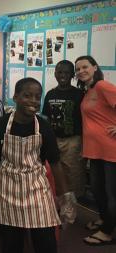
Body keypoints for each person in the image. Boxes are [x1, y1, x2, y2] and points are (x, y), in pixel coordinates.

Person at [0, 77, 76, 253]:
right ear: (15, 97)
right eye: (27, 95)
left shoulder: (43, 127)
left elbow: (55, 164)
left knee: (46, 242)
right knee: (12, 243)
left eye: (37, 97)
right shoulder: (1, 125)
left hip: (37, 187)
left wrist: (65, 197)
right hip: (9, 188)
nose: (33, 101)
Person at [75, 55, 116, 246]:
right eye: (78, 69)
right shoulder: (88, 90)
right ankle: (104, 219)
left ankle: (108, 232)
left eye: (85, 67)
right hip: (94, 150)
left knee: (111, 193)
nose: (81, 71)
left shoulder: (102, 86)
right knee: (98, 190)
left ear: (94, 67)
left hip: (110, 150)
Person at [42, 60, 85, 198]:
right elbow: (46, 118)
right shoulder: (50, 94)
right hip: (54, 139)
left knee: (72, 173)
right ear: (55, 74)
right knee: (55, 172)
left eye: (67, 72)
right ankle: (59, 202)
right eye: (59, 72)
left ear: (73, 75)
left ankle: (73, 205)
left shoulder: (79, 94)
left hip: (73, 140)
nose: (63, 75)